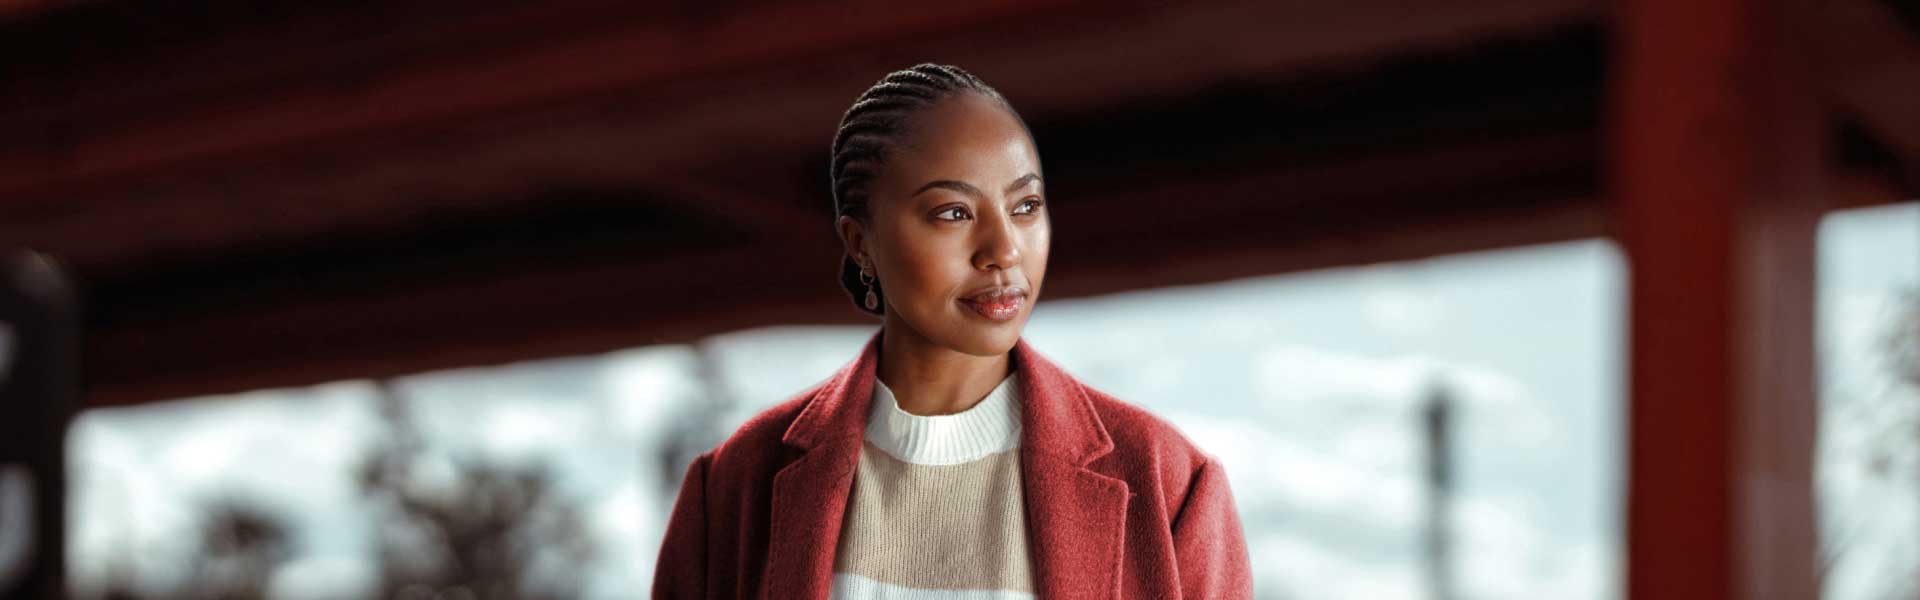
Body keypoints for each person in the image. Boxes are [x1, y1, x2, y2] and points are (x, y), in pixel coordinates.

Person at [651, 63, 1252, 599]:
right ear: (862, 244)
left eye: (1025, 206)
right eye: (953, 213)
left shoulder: (1170, 484)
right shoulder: (731, 486)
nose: (1003, 250)